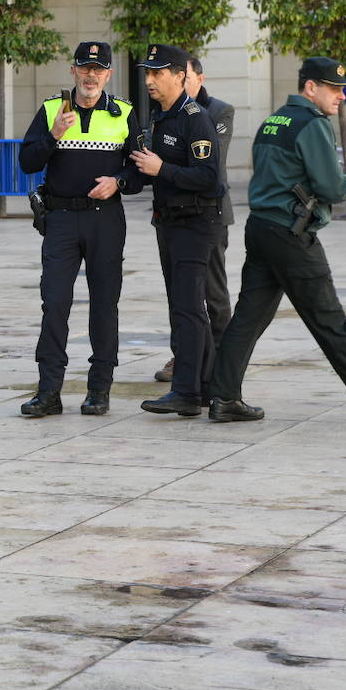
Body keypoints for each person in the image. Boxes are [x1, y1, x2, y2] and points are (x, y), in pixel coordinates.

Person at [206, 57, 346, 423]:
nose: (341, 97)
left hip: (261, 227)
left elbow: (278, 173)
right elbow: (329, 186)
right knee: (328, 318)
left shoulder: (273, 121)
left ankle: (224, 397)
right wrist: (343, 189)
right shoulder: (312, 123)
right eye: (334, 89)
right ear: (311, 88)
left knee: (248, 318)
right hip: (292, 234)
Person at [18, 42, 142, 417]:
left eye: (98, 69)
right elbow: (27, 161)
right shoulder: (52, 110)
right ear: (73, 70)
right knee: (55, 303)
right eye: (85, 68)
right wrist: (53, 135)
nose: (91, 75)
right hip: (60, 219)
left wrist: (119, 181)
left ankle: (99, 390)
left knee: (104, 305)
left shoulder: (124, 113)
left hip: (105, 220)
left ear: (109, 74)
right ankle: (48, 392)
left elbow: (140, 171)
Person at [132, 44, 225, 418]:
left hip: (195, 223)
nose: (149, 80)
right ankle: (208, 388)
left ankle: (185, 391)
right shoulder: (160, 117)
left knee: (188, 309)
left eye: (157, 73)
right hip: (169, 222)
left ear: (180, 77)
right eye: (147, 73)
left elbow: (209, 178)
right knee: (186, 307)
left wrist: (162, 170)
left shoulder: (195, 118)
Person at [154, 56, 234, 384]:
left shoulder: (216, 112)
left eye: (185, 76)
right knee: (179, 293)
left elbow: (207, 165)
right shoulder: (162, 113)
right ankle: (184, 356)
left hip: (207, 214)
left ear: (198, 78)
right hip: (170, 215)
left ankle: (221, 361)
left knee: (212, 292)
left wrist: (162, 167)